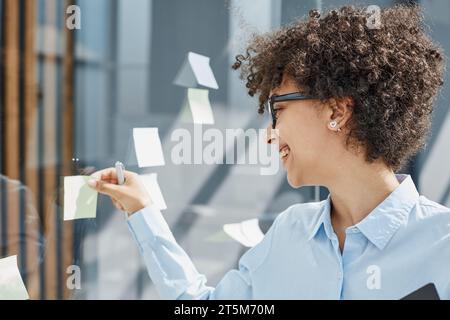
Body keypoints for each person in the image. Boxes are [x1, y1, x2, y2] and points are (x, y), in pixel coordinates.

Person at [88, 5, 450, 299]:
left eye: (278, 110)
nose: (269, 136)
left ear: (336, 112)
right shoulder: (290, 233)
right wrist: (142, 211)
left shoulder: (442, 246)